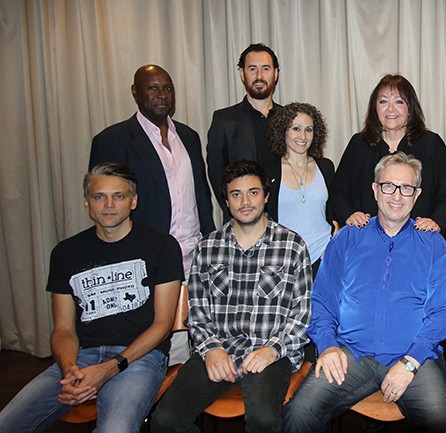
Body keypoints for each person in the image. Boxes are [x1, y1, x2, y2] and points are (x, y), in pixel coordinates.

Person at [283, 152, 446, 433]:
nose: (396, 195)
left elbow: (440, 314)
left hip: (415, 358)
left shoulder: (433, 245)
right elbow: (323, 299)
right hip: (352, 356)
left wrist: (410, 364)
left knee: (444, 424)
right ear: (375, 189)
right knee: (298, 414)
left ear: (417, 195)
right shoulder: (347, 238)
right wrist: (327, 345)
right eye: (388, 185)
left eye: (406, 188)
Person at [0, 163, 183, 433]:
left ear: (133, 201)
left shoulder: (162, 246)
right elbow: (62, 328)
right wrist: (69, 369)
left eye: (118, 196)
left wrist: (110, 368)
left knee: (115, 430)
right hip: (80, 358)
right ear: (87, 204)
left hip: (138, 358)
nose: (108, 204)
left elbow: (162, 324)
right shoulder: (65, 253)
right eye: (99, 197)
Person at [151, 160, 312, 433]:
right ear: (226, 201)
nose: (245, 201)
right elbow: (198, 312)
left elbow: (303, 313)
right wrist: (211, 349)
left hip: (268, 351)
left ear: (266, 196)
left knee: (264, 419)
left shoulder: (292, 245)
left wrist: (272, 350)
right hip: (218, 349)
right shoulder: (208, 247)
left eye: (253, 192)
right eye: (236, 194)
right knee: (164, 421)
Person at [89, 64, 215, 366]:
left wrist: (211, 241)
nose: (162, 95)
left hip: (193, 254)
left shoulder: (188, 136)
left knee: (193, 336)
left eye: (167, 88)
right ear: (135, 92)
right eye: (153, 88)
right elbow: (107, 207)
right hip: (148, 259)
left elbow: (201, 194)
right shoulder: (113, 140)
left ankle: (184, 397)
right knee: (154, 343)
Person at [331, 74, 446, 235]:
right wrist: (349, 216)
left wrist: (436, 222)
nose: (390, 109)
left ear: (411, 108)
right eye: (383, 101)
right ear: (374, 107)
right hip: (365, 241)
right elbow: (338, 193)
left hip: (419, 240)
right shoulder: (359, 144)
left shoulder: (432, 144)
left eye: (399, 101)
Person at [207, 43, 282, 218]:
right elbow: (217, 177)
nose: (259, 76)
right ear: (242, 74)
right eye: (252, 69)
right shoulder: (224, 120)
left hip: (286, 220)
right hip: (243, 222)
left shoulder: (289, 119)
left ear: (276, 73)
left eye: (265, 69)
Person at [264, 102, 335, 276]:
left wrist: (333, 246)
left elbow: (335, 212)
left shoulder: (325, 167)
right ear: (283, 131)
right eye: (296, 128)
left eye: (309, 130)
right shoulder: (268, 171)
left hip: (323, 259)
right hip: (284, 262)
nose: (303, 136)